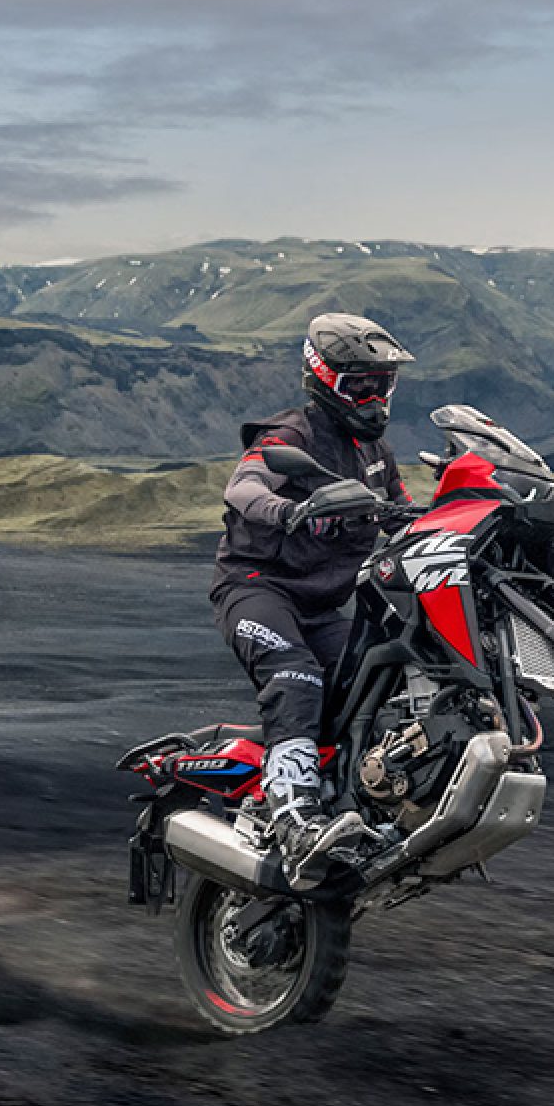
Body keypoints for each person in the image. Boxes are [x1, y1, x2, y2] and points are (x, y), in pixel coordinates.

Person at [211, 312, 413, 885]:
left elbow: (403, 514)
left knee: (381, 674)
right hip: (256, 590)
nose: (374, 398)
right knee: (298, 678)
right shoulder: (292, 434)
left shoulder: (377, 454)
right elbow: (243, 485)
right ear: (322, 380)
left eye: (382, 385)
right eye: (360, 386)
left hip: (324, 608)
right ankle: (295, 814)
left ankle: (360, 800)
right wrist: (288, 510)